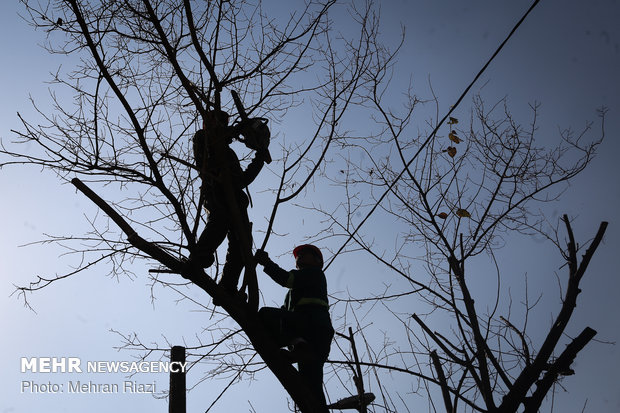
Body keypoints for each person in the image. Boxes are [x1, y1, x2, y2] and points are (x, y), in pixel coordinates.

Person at [188, 109, 267, 297]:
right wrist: (238, 129)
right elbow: (207, 153)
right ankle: (197, 261)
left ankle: (228, 286)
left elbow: (242, 180)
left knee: (243, 243)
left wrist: (259, 158)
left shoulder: (229, 153)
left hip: (236, 198)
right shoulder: (203, 138)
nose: (223, 125)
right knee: (219, 221)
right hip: (216, 189)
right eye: (219, 121)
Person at [255, 244, 334, 409]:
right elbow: (284, 316)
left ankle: (298, 345)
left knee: (265, 314)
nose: (300, 256)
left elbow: (286, 279)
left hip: (313, 327)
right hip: (314, 339)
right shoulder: (292, 294)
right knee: (310, 388)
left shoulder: (314, 274)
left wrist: (266, 263)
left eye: (305, 254)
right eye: (299, 255)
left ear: (317, 261)